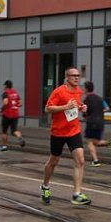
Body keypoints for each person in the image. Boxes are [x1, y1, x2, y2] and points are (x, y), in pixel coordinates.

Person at [41, 66, 90, 206]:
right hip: (58, 132)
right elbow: (47, 108)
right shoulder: (59, 91)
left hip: (73, 131)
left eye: (78, 75)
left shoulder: (78, 91)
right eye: (73, 75)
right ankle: (45, 185)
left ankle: (76, 194)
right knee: (53, 161)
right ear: (67, 78)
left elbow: (76, 105)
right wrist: (65, 107)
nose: (76, 78)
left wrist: (82, 107)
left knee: (80, 160)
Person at [82, 80, 111, 166]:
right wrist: (99, 112)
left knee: (89, 141)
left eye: (83, 88)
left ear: (86, 89)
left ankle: (95, 161)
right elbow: (107, 108)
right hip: (100, 122)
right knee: (96, 142)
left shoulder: (86, 99)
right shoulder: (99, 98)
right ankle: (109, 143)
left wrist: (87, 114)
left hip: (92, 122)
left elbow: (84, 113)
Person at [0, 79, 25, 151]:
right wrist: (15, 105)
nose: (3, 86)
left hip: (7, 114)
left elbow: (5, 102)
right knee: (14, 130)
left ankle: (4, 147)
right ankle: (20, 137)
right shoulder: (15, 93)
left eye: (4, 85)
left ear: (6, 86)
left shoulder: (5, 93)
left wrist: (1, 109)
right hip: (15, 114)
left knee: (4, 131)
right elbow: (20, 103)